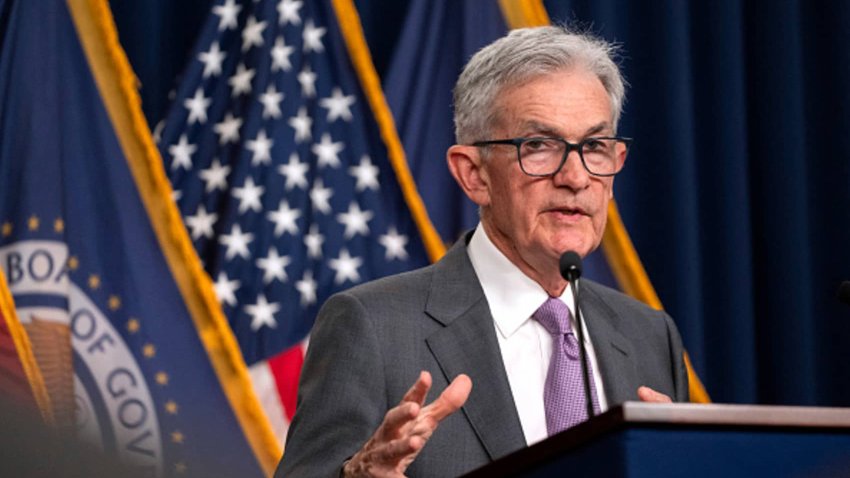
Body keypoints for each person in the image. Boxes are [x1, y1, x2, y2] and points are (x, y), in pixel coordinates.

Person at [276, 25, 689, 478]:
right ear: (473, 174)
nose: (576, 176)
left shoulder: (649, 336)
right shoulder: (372, 328)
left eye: (594, 146)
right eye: (539, 146)